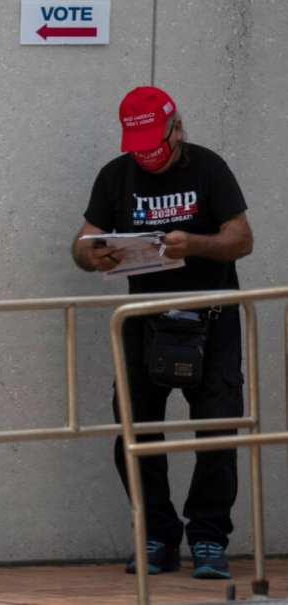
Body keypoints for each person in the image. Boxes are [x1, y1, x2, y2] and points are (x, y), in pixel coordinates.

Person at [71, 86, 253, 580]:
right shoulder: (116, 175)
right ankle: (156, 533)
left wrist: (193, 244)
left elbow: (242, 239)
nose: (149, 153)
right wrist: (95, 253)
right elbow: (82, 243)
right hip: (143, 318)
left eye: (157, 140)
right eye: (139, 144)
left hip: (211, 316)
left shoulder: (208, 168)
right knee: (133, 427)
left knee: (218, 426)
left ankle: (210, 538)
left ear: (177, 128)